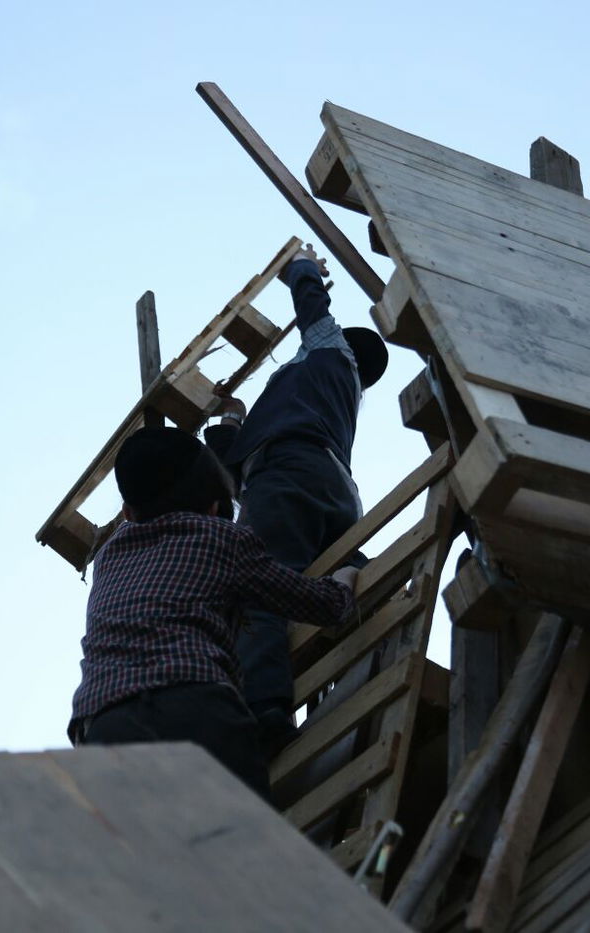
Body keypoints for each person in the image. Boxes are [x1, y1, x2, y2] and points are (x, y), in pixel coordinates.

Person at [68, 426, 358, 799]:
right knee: (241, 845)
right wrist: (344, 580)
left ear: (128, 511)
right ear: (213, 505)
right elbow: (324, 606)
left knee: (151, 855)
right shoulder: (223, 539)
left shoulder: (107, 558)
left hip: (102, 727)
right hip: (193, 708)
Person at [205, 244, 389, 757]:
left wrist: (301, 266)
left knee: (256, 588)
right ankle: (352, 590)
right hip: (325, 488)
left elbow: (314, 309)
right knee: (314, 583)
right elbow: (237, 475)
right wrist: (230, 420)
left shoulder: (331, 352)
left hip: (292, 474)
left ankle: (266, 709)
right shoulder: (316, 394)